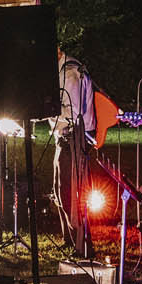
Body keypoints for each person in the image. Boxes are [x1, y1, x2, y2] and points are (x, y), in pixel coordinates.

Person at [54, 45, 98, 259]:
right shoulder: (62, 70)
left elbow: (73, 111)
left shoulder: (71, 73)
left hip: (75, 138)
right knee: (61, 189)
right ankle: (71, 240)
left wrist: (43, 111)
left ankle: (82, 244)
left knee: (73, 193)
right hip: (66, 137)